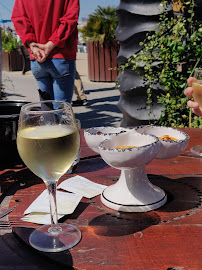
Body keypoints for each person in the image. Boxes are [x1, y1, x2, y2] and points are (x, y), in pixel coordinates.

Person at [11, 0, 80, 103]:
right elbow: (70, 18)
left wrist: (33, 46)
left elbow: (19, 19)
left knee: (47, 109)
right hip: (61, 55)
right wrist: (51, 43)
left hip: (37, 57)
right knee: (61, 110)